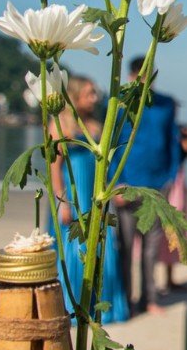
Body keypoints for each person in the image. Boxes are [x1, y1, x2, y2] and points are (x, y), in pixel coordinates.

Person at [50, 76, 130, 324]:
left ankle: (104, 308)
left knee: (101, 246)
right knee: (75, 249)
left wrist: (113, 188)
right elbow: (54, 167)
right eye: (89, 94)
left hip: (94, 194)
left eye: (94, 93)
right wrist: (62, 201)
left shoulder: (96, 125)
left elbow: (105, 165)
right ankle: (71, 307)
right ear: (74, 97)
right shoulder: (60, 124)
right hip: (74, 193)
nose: (94, 98)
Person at [114, 55, 180, 316]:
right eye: (141, 75)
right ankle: (126, 299)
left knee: (151, 247)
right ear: (131, 76)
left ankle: (149, 298)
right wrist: (115, 182)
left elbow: (172, 141)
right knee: (126, 247)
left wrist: (170, 177)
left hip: (157, 185)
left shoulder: (166, 104)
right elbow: (111, 145)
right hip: (127, 186)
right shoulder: (119, 103)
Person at [158, 123, 187, 291]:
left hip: (177, 185)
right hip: (165, 182)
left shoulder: (182, 138)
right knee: (163, 230)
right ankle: (157, 281)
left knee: (174, 230)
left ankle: (169, 278)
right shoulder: (166, 133)